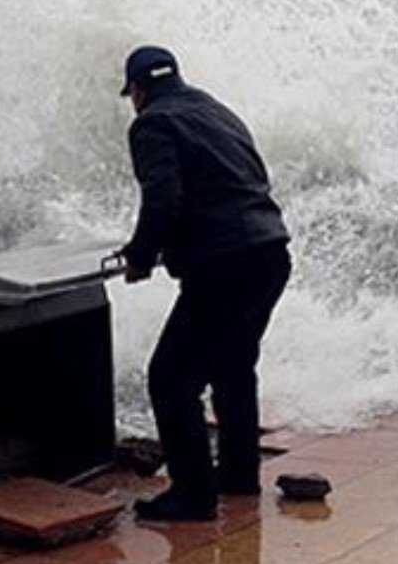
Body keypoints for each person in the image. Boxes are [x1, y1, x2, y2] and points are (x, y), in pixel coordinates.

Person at [117, 45, 291, 522]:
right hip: (270, 253)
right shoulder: (217, 111)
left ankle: (193, 495)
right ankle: (238, 475)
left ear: (137, 89)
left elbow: (163, 198)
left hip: (226, 265)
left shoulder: (151, 123)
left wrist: (139, 256)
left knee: (171, 379)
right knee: (234, 367)